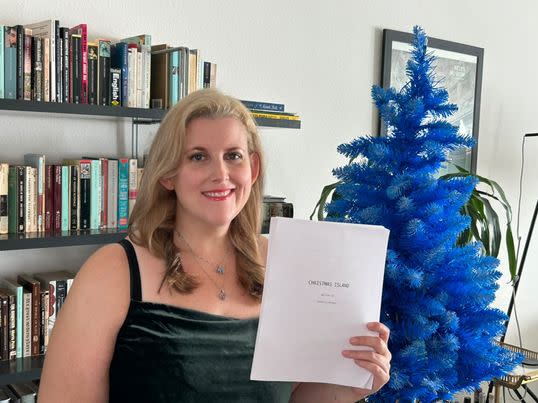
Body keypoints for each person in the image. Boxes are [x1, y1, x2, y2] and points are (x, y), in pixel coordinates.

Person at [38, 89, 391, 402]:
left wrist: (353, 384)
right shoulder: (113, 271)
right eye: (198, 156)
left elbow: (290, 397)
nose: (220, 174)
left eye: (233, 155)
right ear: (167, 174)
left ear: (252, 169)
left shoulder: (285, 262)